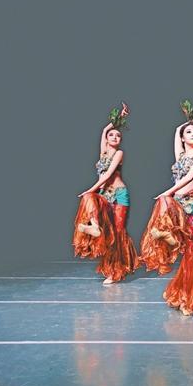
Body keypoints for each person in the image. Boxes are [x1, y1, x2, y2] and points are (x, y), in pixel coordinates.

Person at [140, 100, 193, 315]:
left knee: (192, 251)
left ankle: (189, 298)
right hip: (180, 206)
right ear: (183, 138)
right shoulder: (180, 155)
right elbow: (176, 130)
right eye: (189, 132)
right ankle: (166, 235)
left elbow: (190, 177)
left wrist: (169, 191)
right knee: (164, 203)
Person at [73, 102, 140, 285]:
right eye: (112, 135)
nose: (115, 137)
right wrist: (119, 117)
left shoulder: (119, 154)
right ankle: (94, 227)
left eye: (118, 135)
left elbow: (108, 175)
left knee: (117, 233)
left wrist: (91, 189)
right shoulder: (103, 152)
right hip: (105, 195)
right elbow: (104, 130)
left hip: (119, 195)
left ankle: (116, 271)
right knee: (89, 199)